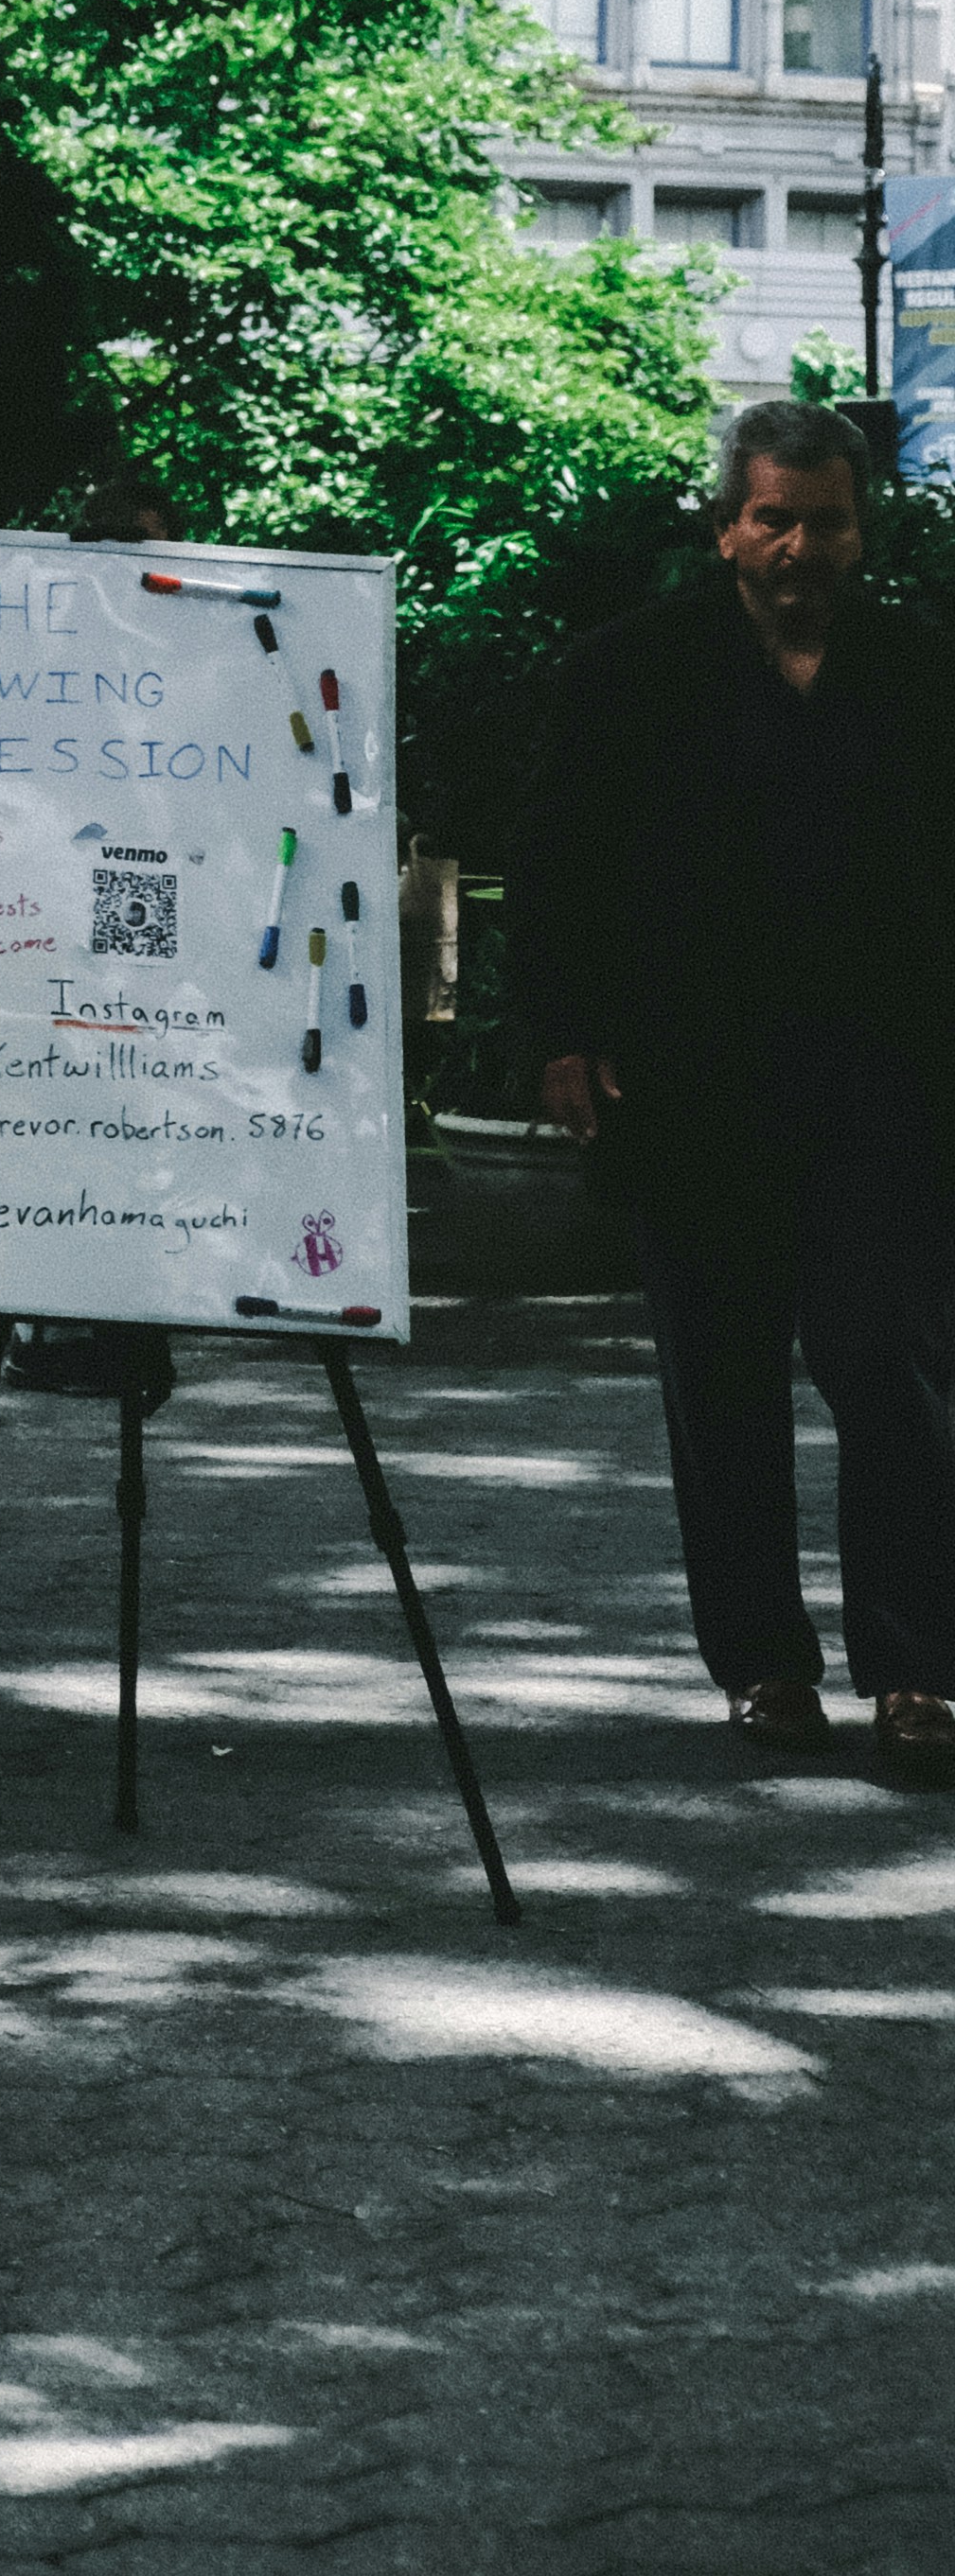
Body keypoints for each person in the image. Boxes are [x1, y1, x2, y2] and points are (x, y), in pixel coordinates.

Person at [509, 399, 955, 1779]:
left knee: (890, 1366)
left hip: (888, 1089)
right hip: (691, 1087)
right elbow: (558, 863)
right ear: (727, 529)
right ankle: (763, 1665)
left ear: (860, 530)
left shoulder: (925, 674)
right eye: (773, 518)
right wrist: (561, 1036)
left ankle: (919, 1672)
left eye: (825, 521)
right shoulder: (626, 673)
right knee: (724, 1386)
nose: (798, 545)